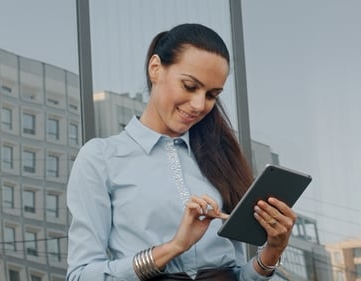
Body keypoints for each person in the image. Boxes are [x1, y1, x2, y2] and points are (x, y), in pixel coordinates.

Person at [66, 23, 297, 281]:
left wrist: (273, 252)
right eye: (189, 86)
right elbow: (80, 275)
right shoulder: (101, 158)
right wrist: (173, 247)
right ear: (155, 68)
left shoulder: (220, 158)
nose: (199, 105)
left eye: (212, 95)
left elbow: (239, 273)